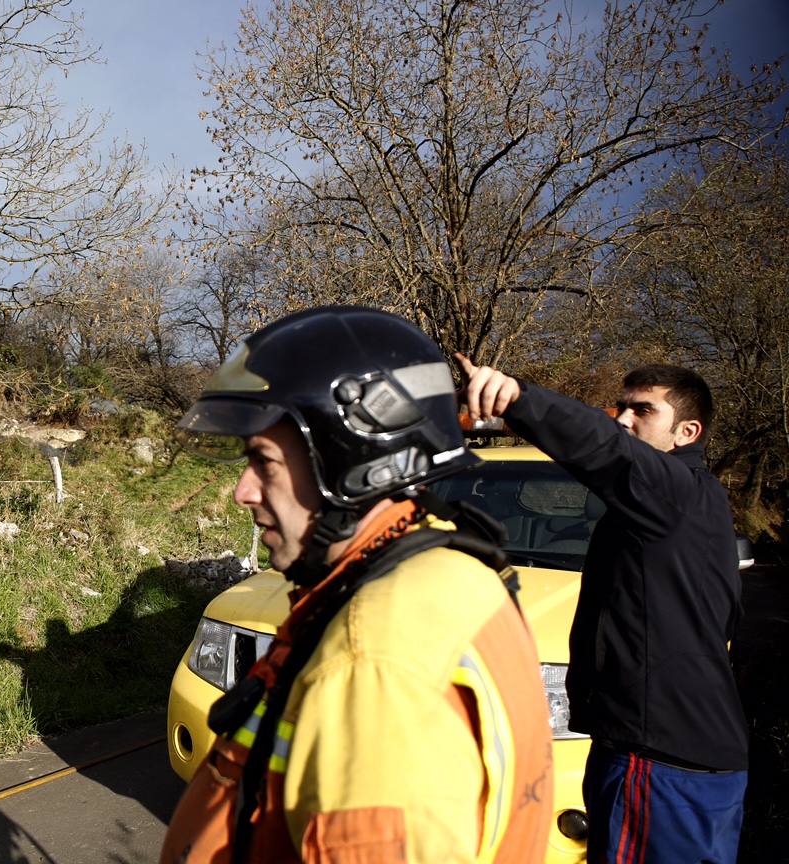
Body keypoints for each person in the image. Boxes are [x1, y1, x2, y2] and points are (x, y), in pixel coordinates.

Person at [161, 307, 552, 864]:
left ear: (355, 464)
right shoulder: (451, 575)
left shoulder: (374, 654)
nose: (243, 492)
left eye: (264, 463)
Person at [457, 356, 747, 863]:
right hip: (692, 758)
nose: (623, 420)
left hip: (658, 762)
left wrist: (517, 399)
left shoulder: (671, 491)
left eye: (643, 411)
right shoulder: (692, 502)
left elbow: (603, 448)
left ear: (687, 432)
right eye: (621, 408)